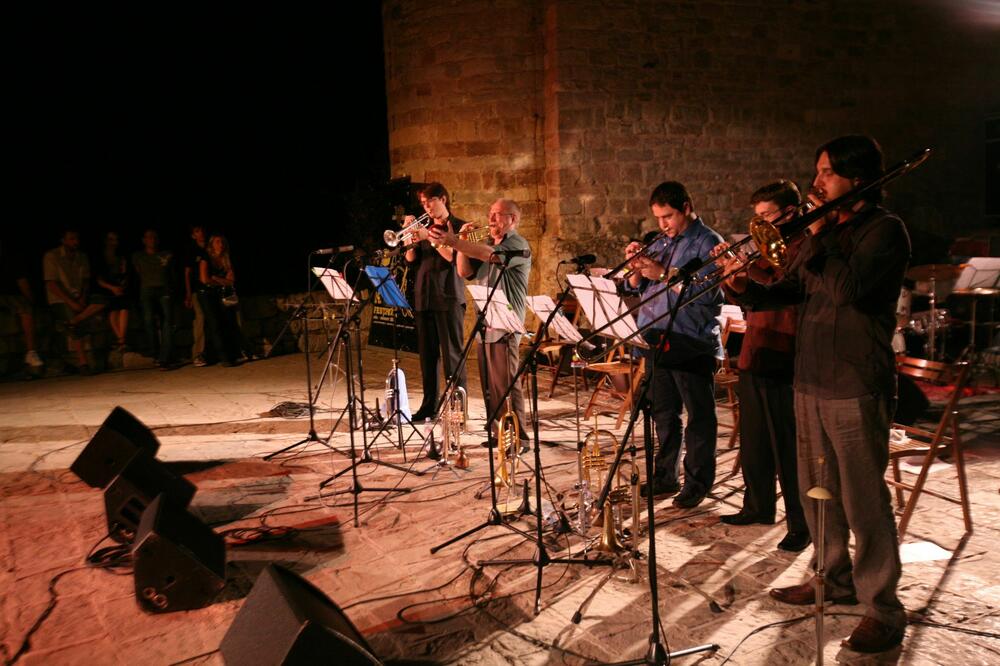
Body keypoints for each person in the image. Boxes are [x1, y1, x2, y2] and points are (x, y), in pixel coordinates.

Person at [721, 136, 909, 653]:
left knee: (863, 498)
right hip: (809, 378)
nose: (816, 183)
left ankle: (883, 607)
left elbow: (850, 290)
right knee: (816, 490)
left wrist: (821, 234)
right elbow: (787, 291)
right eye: (818, 172)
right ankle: (831, 577)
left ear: (856, 178)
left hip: (853, 382)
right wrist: (738, 283)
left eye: (826, 173)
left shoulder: (883, 232)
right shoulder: (822, 237)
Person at [713, 180, 809, 552]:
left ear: (791, 212)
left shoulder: (802, 246)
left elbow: (783, 286)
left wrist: (746, 270)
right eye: (757, 217)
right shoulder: (766, 249)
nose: (762, 224)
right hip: (757, 349)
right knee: (754, 440)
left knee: (788, 445)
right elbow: (747, 296)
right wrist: (731, 271)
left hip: (787, 350)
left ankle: (800, 522)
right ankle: (757, 506)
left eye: (767, 216)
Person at [625, 182, 723, 509]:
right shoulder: (663, 241)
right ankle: (665, 474)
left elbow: (709, 292)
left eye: (667, 216)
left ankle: (698, 483)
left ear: (686, 207)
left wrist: (663, 272)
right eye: (657, 218)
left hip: (690, 339)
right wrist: (637, 271)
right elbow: (640, 289)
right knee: (663, 413)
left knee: (699, 416)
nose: (663, 224)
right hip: (655, 337)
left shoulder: (708, 242)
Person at [432, 198, 531, 453]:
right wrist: (463, 244)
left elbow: (490, 256)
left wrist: (455, 241)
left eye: (498, 214)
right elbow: (463, 271)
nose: (492, 219)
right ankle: (500, 433)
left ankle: (519, 439)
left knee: (507, 385)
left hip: (505, 324)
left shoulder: (516, 244)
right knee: (489, 386)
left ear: (513, 219)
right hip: (485, 321)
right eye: (491, 213)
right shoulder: (485, 244)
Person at [403, 183, 468, 421]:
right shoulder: (424, 228)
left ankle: (458, 411)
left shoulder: (460, 226)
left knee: (453, 357)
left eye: (430, 201)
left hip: (449, 297)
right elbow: (411, 260)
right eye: (423, 204)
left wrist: (430, 237)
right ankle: (429, 406)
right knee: (427, 358)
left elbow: (453, 258)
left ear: (443, 198)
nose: (427, 207)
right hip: (424, 298)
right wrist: (409, 239)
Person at [43, 228, 105, 374]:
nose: (75, 242)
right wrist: (72, 303)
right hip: (60, 298)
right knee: (73, 317)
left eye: (76, 238)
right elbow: (51, 284)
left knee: (103, 300)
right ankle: (83, 363)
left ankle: (74, 321)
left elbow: (85, 280)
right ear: (63, 240)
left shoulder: (81, 257)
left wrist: (82, 298)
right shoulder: (52, 256)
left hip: (78, 297)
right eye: (71, 239)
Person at [132, 229, 176, 369]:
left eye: (154, 237)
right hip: (147, 290)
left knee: (168, 321)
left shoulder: (166, 254)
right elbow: (138, 273)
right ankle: (156, 354)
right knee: (149, 321)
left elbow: (172, 273)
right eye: (149, 237)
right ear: (144, 240)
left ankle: (164, 358)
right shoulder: (138, 256)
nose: (152, 239)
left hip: (164, 289)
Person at [0, 236, 45, 373]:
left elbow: (22, 282)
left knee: (25, 307)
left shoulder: (12, 259)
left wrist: (31, 301)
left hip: (8, 295)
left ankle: (31, 353)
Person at [198, 234, 241, 367]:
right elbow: (204, 280)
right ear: (212, 245)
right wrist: (223, 281)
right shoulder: (206, 258)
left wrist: (216, 279)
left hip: (220, 294)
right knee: (214, 324)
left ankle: (225, 354)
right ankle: (224, 358)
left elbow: (231, 281)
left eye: (222, 242)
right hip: (206, 294)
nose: (220, 244)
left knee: (226, 323)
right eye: (217, 242)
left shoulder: (226, 259)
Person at [95, 231, 130, 351]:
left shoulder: (120, 256)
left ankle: (121, 340)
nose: (114, 242)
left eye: (116, 239)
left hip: (119, 285)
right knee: (114, 308)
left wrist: (122, 284)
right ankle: (122, 340)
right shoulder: (101, 257)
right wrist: (112, 288)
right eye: (111, 239)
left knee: (124, 307)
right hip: (106, 287)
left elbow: (125, 274)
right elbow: (99, 279)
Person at [183, 225, 210, 366]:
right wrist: (188, 294)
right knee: (200, 318)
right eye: (197, 231)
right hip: (196, 290)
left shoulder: (210, 248)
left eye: (202, 230)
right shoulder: (191, 251)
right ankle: (197, 354)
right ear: (193, 235)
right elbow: (187, 273)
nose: (201, 233)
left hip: (212, 289)